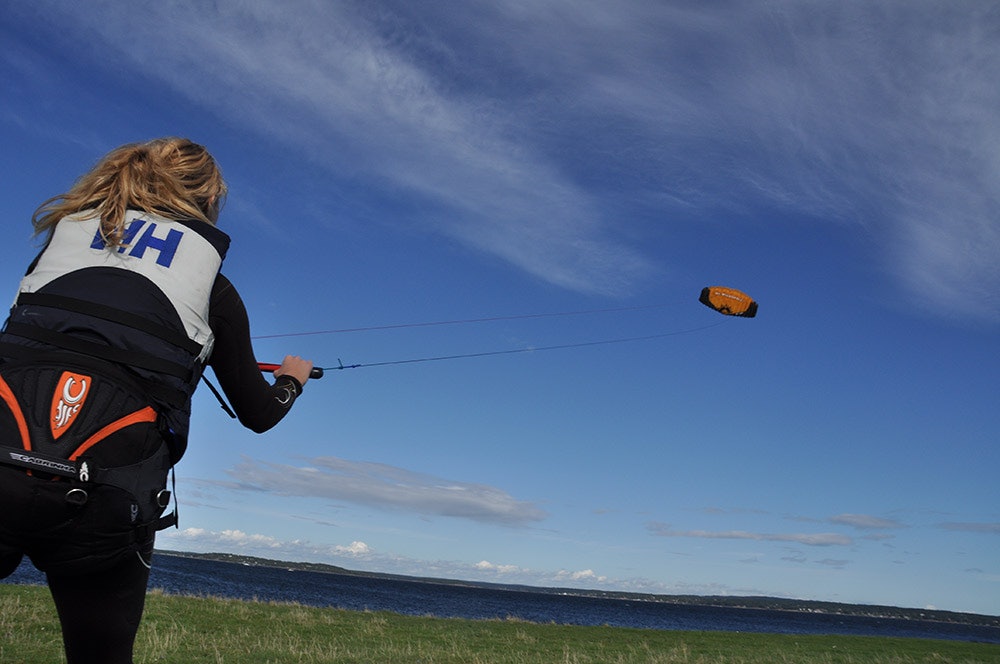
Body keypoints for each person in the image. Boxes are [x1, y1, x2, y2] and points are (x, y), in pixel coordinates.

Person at [0, 138, 313, 663]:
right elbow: (258, 415)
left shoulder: (59, 249)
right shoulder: (214, 288)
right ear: (207, 201)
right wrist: (291, 380)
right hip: (105, 498)